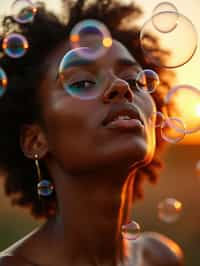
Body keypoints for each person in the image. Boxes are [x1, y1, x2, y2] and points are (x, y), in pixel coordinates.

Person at [0, 0, 183, 265]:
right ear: (35, 140)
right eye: (83, 82)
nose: (121, 86)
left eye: (134, 79)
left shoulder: (160, 257)